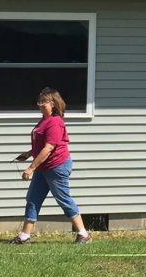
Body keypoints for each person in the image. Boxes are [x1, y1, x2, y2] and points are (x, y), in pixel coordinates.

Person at [10, 88, 91, 244]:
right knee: (33, 199)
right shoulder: (43, 120)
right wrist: (27, 154)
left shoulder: (54, 122)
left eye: (44, 102)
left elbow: (48, 148)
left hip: (56, 166)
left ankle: (83, 234)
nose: (40, 105)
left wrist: (30, 168)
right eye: (39, 102)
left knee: (63, 199)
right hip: (43, 167)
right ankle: (24, 236)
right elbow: (40, 145)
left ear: (53, 104)